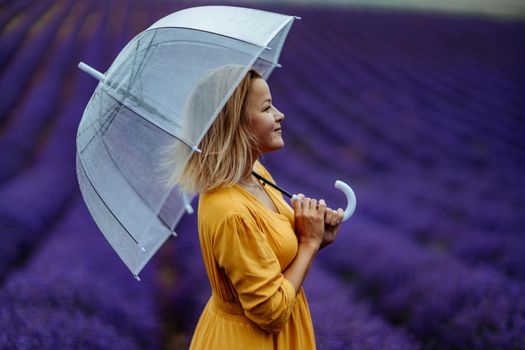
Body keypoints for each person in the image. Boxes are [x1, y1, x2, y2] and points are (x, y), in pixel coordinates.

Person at [173, 65, 344, 349]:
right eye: (266, 109)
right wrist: (309, 243)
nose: (279, 115)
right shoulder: (231, 212)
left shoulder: (255, 173)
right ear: (235, 124)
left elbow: (270, 262)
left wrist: (312, 237)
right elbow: (270, 312)